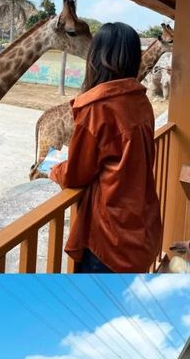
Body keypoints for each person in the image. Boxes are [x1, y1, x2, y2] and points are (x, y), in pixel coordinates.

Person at [50, 21, 162, 273]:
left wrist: (55, 170)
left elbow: (77, 174)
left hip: (109, 239)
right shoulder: (140, 101)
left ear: (96, 57)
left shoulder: (97, 108)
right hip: (143, 228)